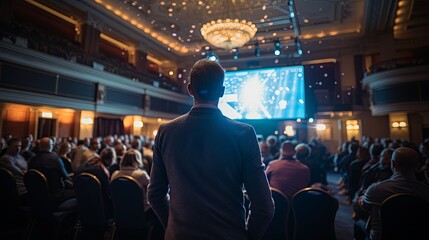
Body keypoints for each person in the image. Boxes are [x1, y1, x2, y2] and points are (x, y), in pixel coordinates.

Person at [147, 59, 274, 240]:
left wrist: (173, 227)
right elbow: (264, 207)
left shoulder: (166, 131)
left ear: (190, 89)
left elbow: (155, 195)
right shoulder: (244, 133)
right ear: (222, 92)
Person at [354, 147, 429, 240]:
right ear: (418, 165)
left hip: (381, 236)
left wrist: (362, 198)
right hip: (416, 236)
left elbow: (363, 208)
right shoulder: (426, 191)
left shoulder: (376, 189)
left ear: (392, 164)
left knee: (357, 224)